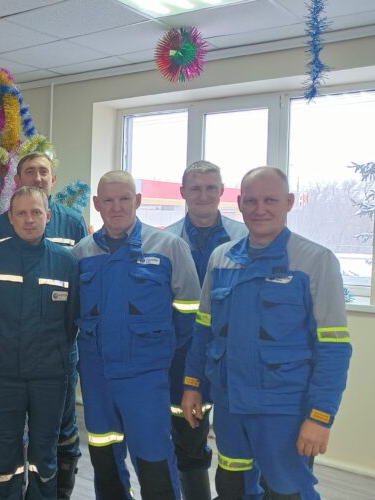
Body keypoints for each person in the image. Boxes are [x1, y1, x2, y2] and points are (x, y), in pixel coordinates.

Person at [181, 167, 353, 500]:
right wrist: (192, 384)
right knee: (231, 488)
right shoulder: (222, 259)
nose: (260, 209)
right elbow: (203, 331)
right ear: (239, 204)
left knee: (288, 492)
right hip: (230, 406)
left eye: (270, 200)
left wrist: (321, 417)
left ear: (289, 202)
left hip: (284, 410)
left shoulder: (315, 261)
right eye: (251, 201)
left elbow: (334, 348)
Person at [73, 170, 200, 499]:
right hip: (97, 379)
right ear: (97, 204)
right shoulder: (81, 253)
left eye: (124, 199)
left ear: (138, 201)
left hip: (146, 379)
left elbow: (190, 319)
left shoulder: (169, 247)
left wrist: (180, 372)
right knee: (104, 459)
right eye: (108, 200)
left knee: (154, 460)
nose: (116, 207)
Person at [0, 186, 79, 499]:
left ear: (48, 216)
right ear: (11, 218)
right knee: (4, 456)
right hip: (3, 377)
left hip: (49, 377)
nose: (29, 219)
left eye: (36, 212)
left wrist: (52, 352)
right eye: (21, 213)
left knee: (45, 454)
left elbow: (72, 321)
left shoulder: (66, 263)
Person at [0, 151, 88, 499]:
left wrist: (62, 342)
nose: (38, 177)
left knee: (62, 424)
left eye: (43, 171)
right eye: (29, 171)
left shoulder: (73, 222)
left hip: (58, 351)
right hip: (11, 352)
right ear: (18, 180)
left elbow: (78, 292)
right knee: (11, 431)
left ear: (53, 179)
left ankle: (61, 489)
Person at [165, 161, 248, 500]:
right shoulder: (165, 240)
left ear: (222, 191)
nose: (203, 195)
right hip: (182, 359)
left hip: (235, 360)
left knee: (240, 445)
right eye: (195, 188)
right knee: (189, 439)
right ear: (183, 192)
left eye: (210, 188)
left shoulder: (245, 238)